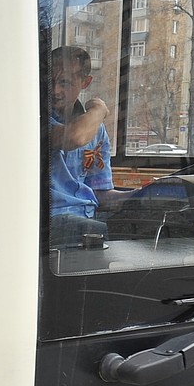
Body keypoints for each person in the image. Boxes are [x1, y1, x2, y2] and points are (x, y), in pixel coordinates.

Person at [48, 45, 117, 247]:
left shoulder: (97, 129)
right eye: (49, 81)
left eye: (64, 83)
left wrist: (143, 195)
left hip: (85, 218)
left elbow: (100, 192)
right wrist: (99, 109)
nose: (55, 90)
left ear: (85, 82)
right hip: (48, 219)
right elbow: (75, 137)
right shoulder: (36, 116)